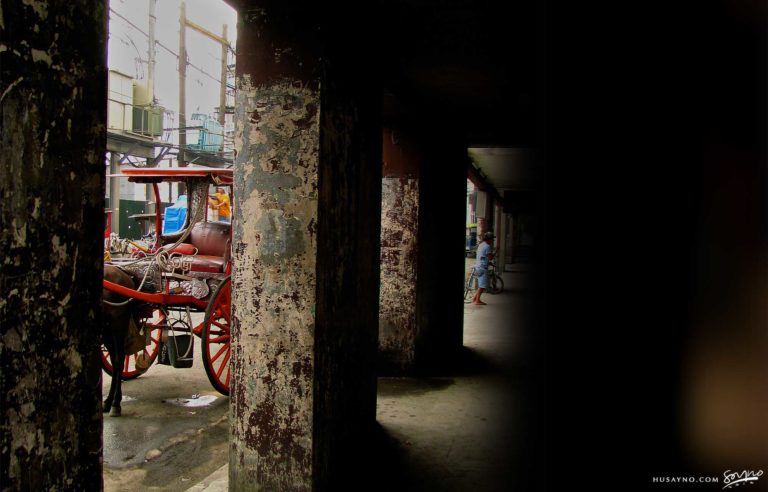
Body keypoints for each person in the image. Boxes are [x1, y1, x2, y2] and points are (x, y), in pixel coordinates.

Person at [471, 231, 495, 305]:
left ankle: (474, 299)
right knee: (482, 286)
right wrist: (496, 251)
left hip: (478, 266)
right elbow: (490, 257)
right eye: (492, 239)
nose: (493, 241)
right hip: (482, 268)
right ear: (489, 239)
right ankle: (477, 301)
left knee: (481, 285)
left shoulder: (481, 245)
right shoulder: (487, 246)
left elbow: (483, 256)